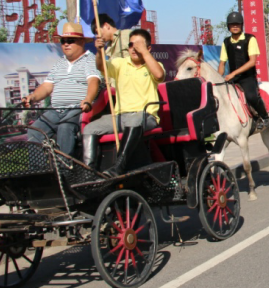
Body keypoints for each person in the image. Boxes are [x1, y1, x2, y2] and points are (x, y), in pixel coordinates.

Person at [85, 28, 164, 176]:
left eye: (138, 45)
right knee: (89, 128)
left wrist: (144, 53)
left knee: (134, 120)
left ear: (148, 48)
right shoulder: (120, 63)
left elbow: (159, 75)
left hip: (146, 116)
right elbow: (101, 66)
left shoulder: (154, 65)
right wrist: (99, 51)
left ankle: (118, 167)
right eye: (130, 45)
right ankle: (88, 172)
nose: (134, 49)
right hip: (120, 117)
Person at [23, 22, 103, 156]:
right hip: (55, 110)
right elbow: (47, 86)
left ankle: (65, 169)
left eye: (70, 41)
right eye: (63, 41)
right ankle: (39, 170)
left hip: (77, 109)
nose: (66, 44)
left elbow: (93, 81)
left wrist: (88, 99)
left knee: (65, 128)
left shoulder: (90, 60)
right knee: (34, 130)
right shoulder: (60, 62)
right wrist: (32, 97)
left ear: (82, 42)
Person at [218, 12, 269, 131]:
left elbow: (252, 62)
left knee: (251, 96)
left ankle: (264, 117)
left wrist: (233, 73)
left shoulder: (250, 39)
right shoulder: (226, 42)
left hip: (247, 78)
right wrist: (218, 78)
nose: (235, 26)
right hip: (233, 79)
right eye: (232, 25)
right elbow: (222, 63)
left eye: (237, 24)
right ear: (228, 27)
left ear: (241, 25)